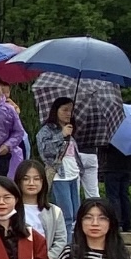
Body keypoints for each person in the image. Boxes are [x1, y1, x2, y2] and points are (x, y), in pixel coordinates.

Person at [36, 98, 82, 236]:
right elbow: (45, 151)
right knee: (65, 214)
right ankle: (65, 245)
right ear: (56, 110)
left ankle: (73, 242)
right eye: (65, 110)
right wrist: (61, 135)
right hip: (59, 175)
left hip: (73, 174)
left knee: (76, 213)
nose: (68, 114)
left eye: (71, 110)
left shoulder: (70, 129)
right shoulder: (47, 130)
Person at [100, 144, 131, 233]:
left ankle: (117, 223)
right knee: (125, 196)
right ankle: (127, 224)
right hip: (127, 167)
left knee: (113, 197)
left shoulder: (112, 138)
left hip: (112, 167)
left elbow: (103, 148)